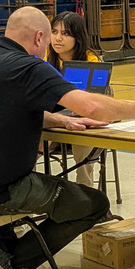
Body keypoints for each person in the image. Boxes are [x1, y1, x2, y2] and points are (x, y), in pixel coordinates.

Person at [0, 7, 135, 269]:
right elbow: (93, 107)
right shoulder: (29, 68)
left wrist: (61, 120)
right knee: (94, 204)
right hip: (2, 189)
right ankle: (10, 261)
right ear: (39, 38)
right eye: (49, 40)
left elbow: (8, 105)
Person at [45, 11, 104, 188]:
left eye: (66, 33)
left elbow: (95, 100)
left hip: (82, 122)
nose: (58, 38)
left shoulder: (91, 61)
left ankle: (85, 198)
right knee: (28, 143)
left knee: (83, 147)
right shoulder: (45, 60)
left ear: (78, 37)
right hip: (55, 120)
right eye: (54, 32)